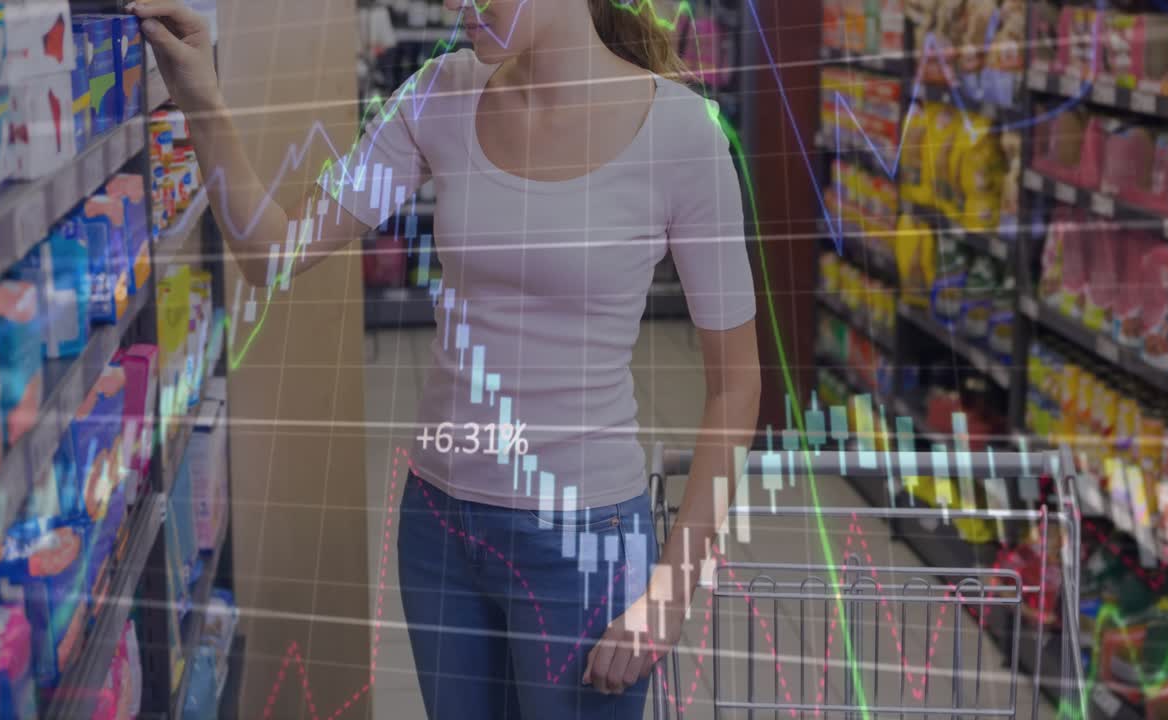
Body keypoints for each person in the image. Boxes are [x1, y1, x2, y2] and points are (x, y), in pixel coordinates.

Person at [132, 0, 761, 717]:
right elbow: (270, 250)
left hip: (584, 543)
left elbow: (736, 387)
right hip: (440, 529)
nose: (455, 4)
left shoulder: (682, 136)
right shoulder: (442, 93)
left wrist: (670, 593)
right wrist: (200, 99)